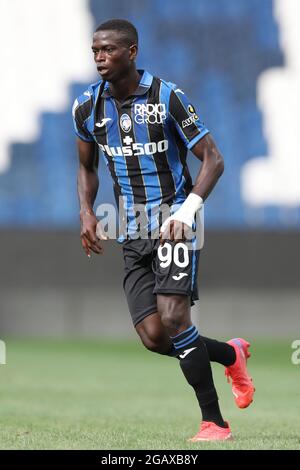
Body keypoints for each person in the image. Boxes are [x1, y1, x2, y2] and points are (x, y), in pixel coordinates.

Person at [72, 18, 255, 442]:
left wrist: (187, 212)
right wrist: (85, 211)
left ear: (131, 52)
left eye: (108, 50)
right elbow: (85, 166)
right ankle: (231, 354)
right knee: (154, 337)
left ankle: (214, 423)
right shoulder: (87, 107)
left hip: (174, 222)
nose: (99, 57)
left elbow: (213, 158)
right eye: (95, 50)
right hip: (130, 227)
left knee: (174, 318)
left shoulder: (166, 97)